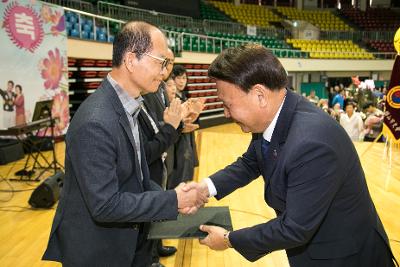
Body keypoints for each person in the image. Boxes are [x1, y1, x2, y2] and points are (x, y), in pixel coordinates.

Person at [183, 44, 396, 266]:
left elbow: (294, 227)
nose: (226, 113)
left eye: (228, 105)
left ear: (260, 95)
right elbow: (252, 161)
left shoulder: (311, 143)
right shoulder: (279, 115)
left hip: (345, 257)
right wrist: (205, 188)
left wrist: (229, 239)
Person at [42, 21, 207, 267]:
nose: (164, 72)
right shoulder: (96, 122)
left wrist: (172, 196)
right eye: (160, 61)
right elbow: (105, 205)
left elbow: (137, 178)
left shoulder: (128, 106)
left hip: (128, 241)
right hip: (100, 252)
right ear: (131, 60)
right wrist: (172, 201)